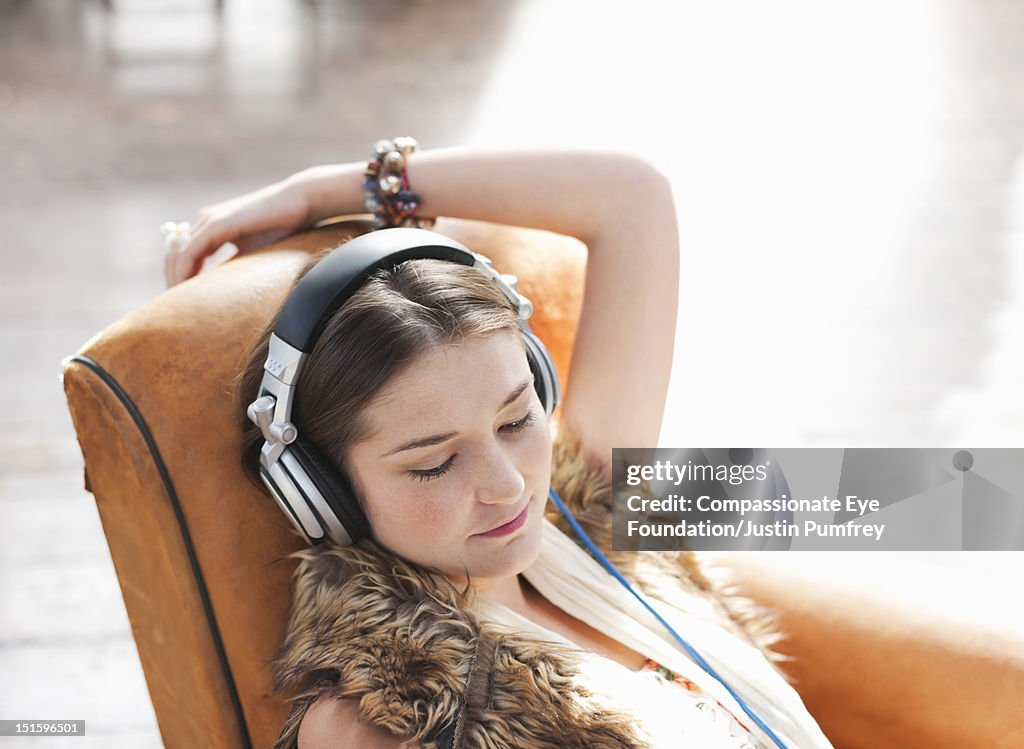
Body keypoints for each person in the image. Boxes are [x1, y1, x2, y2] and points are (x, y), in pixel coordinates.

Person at [165, 144, 834, 749]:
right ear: (323, 492)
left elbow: (632, 196)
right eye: (435, 461)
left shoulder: (592, 518)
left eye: (516, 421)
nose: (510, 485)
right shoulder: (385, 723)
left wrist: (327, 189)